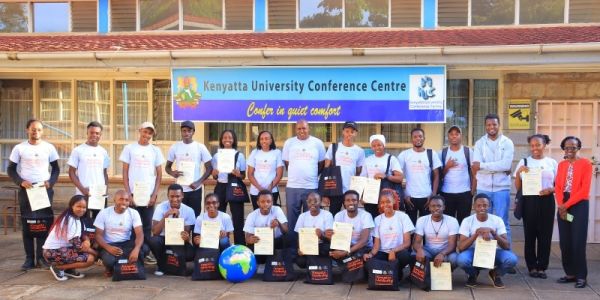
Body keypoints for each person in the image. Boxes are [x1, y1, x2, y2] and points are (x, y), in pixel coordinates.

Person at [7, 119, 60, 270]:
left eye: (39, 129)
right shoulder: (19, 148)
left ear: (42, 131)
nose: (36, 132)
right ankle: (29, 259)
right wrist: (20, 181)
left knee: (43, 224)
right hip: (27, 191)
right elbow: (11, 169)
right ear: (27, 130)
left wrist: (51, 181)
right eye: (33, 129)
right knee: (28, 224)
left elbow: (56, 169)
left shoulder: (49, 147)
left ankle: (42, 258)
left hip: (43, 190)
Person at [119, 121, 165, 264]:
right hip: (132, 196)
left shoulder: (155, 150)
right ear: (140, 130)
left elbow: (159, 175)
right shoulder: (129, 148)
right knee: (131, 224)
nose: (147, 135)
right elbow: (125, 172)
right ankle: (131, 252)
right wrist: (128, 194)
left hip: (148, 196)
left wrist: (154, 195)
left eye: (150, 133)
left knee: (146, 226)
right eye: (145, 131)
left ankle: (144, 253)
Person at [513, 134, 557, 279]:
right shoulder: (524, 162)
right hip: (529, 200)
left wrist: (551, 190)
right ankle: (532, 266)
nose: (535, 148)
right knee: (530, 234)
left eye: (538, 144)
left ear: (544, 145)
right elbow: (518, 187)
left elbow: (558, 185)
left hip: (547, 200)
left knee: (545, 235)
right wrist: (519, 172)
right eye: (532, 145)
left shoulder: (552, 163)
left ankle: (542, 267)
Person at [554, 136, 593, 288]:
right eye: (567, 147)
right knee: (565, 241)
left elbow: (584, 191)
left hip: (579, 205)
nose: (570, 150)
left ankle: (581, 276)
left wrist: (565, 205)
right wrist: (561, 205)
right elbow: (557, 187)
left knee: (578, 241)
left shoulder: (586, 164)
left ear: (578, 148)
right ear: (564, 148)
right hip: (563, 203)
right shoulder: (562, 164)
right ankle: (570, 273)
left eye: (573, 147)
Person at [456, 194, 517, 289]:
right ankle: (473, 274)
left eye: (485, 205)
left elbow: (506, 246)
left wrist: (493, 233)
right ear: (474, 207)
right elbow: (461, 247)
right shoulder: (467, 221)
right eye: (479, 205)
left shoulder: (497, 220)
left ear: (489, 206)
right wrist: (476, 234)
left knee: (512, 259)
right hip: (474, 251)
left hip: (493, 251)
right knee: (461, 259)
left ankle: (495, 274)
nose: (482, 208)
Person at [472, 114, 515, 243]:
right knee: (482, 221)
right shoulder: (479, 143)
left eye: (494, 124)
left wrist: (483, 166)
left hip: (501, 188)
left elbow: (506, 164)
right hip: (483, 188)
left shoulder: (507, 142)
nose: (492, 127)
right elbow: (475, 165)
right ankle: (484, 257)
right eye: (489, 125)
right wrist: (499, 167)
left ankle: (506, 252)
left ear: (499, 125)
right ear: (485, 126)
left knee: (503, 221)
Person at [282, 120, 326, 238]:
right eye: (299, 129)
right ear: (296, 129)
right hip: (293, 187)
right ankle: (293, 250)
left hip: (311, 187)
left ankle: (308, 249)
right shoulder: (289, 143)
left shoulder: (317, 143)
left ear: (308, 128)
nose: (302, 131)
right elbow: (287, 163)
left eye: (304, 128)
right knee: (292, 221)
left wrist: (310, 175)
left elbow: (321, 163)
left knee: (311, 220)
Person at [42, 195, 97, 281]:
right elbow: (78, 246)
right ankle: (59, 268)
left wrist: (87, 240)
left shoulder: (76, 218)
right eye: (78, 206)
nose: (82, 209)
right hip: (52, 252)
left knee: (88, 252)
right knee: (90, 259)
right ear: (72, 206)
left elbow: (83, 233)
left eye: (84, 207)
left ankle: (69, 269)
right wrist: (96, 254)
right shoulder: (70, 220)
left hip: (61, 250)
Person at [165, 120, 213, 217]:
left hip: (195, 190)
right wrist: (172, 173)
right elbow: (167, 167)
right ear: (181, 132)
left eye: (189, 131)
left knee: (195, 217)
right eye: (184, 130)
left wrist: (198, 182)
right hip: (179, 190)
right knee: (178, 217)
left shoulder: (200, 147)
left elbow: (209, 168)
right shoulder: (175, 147)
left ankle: (194, 233)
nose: (186, 133)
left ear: (193, 132)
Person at [363, 190, 414, 279]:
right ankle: (391, 273)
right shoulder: (377, 219)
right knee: (368, 261)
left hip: (398, 252)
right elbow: (376, 245)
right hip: (383, 253)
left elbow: (407, 243)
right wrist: (370, 254)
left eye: (388, 201)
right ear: (379, 204)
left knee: (405, 255)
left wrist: (393, 251)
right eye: (382, 202)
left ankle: (397, 270)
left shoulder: (403, 217)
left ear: (394, 201)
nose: (385, 205)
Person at [147, 184, 196, 276]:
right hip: (163, 240)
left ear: (182, 196)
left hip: (178, 241)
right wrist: (166, 216)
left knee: (191, 253)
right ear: (168, 196)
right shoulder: (160, 207)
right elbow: (155, 231)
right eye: (172, 196)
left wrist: (177, 219)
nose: (174, 199)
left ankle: (176, 265)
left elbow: (185, 236)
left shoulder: (189, 211)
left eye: (177, 196)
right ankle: (161, 265)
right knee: (153, 241)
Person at [94, 190, 145, 277]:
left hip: (126, 243)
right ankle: (110, 267)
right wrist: (108, 247)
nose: (124, 202)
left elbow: (140, 233)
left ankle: (120, 267)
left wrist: (136, 249)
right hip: (109, 243)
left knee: (143, 250)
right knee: (109, 260)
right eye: (121, 199)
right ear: (114, 200)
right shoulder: (104, 213)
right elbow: (98, 235)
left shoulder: (133, 213)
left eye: (126, 200)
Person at [398, 128, 441, 225]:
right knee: (411, 228)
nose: (418, 139)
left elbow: (436, 175)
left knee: (426, 227)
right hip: (410, 198)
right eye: (415, 137)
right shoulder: (404, 155)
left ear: (424, 138)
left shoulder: (431, 154)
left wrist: (433, 195)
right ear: (411, 139)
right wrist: (404, 195)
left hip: (427, 197)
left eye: (420, 136)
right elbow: (397, 176)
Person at [67, 121, 110, 220]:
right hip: (83, 193)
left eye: (97, 133)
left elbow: (104, 173)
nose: (94, 135)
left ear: (100, 135)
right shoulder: (78, 150)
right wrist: (82, 189)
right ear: (87, 133)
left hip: (99, 194)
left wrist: (106, 189)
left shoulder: (103, 152)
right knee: (82, 222)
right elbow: (71, 172)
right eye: (92, 132)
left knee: (98, 222)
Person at [323, 121, 365, 217]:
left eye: (352, 132)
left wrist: (359, 191)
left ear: (356, 133)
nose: (349, 134)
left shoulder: (359, 151)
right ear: (343, 132)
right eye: (347, 131)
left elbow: (359, 172)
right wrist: (325, 193)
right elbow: (326, 170)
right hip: (335, 189)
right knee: (333, 216)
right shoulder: (333, 147)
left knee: (352, 216)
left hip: (351, 190)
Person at [211, 129, 246, 245]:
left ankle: (239, 247)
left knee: (238, 219)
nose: (227, 140)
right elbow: (215, 176)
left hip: (234, 187)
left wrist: (238, 174)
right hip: (220, 187)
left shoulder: (239, 155)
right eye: (225, 137)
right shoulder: (216, 156)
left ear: (234, 139)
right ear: (221, 140)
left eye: (230, 137)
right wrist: (214, 174)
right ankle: (220, 245)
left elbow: (243, 175)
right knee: (218, 217)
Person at [360, 134, 403, 219]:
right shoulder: (367, 160)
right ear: (371, 147)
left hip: (386, 197)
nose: (377, 148)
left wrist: (386, 176)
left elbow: (400, 178)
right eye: (373, 145)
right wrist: (361, 196)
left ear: (384, 145)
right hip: (370, 196)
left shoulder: (391, 159)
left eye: (379, 145)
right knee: (372, 220)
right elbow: (363, 179)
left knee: (386, 219)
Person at [412, 195, 459, 270]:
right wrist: (419, 250)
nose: (436, 208)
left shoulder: (452, 221)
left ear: (444, 207)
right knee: (415, 254)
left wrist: (442, 254)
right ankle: (422, 275)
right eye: (433, 206)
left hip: (445, 250)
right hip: (428, 250)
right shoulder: (422, 220)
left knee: (454, 259)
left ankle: (446, 274)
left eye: (439, 206)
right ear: (429, 208)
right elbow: (416, 242)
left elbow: (452, 245)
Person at [439, 125, 474, 224]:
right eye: (451, 134)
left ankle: (462, 240)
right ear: (448, 136)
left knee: (464, 224)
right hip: (446, 193)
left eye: (456, 134)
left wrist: (472, 191)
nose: (454, 136)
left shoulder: (468, 152)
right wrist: (447, 167)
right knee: (448, 223)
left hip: (465, 193)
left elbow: (474, 173)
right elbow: (438, 176)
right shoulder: (442, 153)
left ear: (461, 136)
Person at [326, 190, 374, 261]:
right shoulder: (339, 215)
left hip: (363, 247)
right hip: (345, 245)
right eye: (348, 200)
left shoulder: (366, 216)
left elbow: (364, 241)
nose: (351, 202)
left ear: (358, 202)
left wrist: (346, 252)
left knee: (354, 259)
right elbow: (337, 238)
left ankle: (344, 263)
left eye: (354, 200)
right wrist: (329, 236)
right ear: (344, 203)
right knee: (327, 252)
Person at [244, 190, 289, 264]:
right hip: (260, 244)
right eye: (262, 202)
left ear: (272, 202)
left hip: (275, 244)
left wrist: (278, 223)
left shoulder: (277, 210)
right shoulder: (252, 215)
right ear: (258, 203)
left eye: (268, 201)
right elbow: (247, 238)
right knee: (249, 252)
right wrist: (251, 239)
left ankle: (275, 260)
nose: (266, 204)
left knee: (286, 239)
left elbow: (286, 231)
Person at [294, 192, 333, 268]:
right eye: (309, 201)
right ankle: (313, 263)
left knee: (326, 249)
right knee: (300, 262)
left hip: (321, 245)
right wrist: (300, 248)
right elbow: (299, 236)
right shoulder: (302, 216)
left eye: (315, 201)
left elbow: (330, 238)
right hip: (307, 245)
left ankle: (316, 263)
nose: (312, 203)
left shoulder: (327, 215)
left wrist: (322, 235)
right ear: (306, 202)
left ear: (321, 202)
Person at [247, 130, 284, 209]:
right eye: (262, 139)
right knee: (258, 215)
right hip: (256, 191)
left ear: (271, 140)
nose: (264, 141)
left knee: (271, 215)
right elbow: (250, 174)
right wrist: (260, 189)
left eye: (266, 138)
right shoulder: (255, 152)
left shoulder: (277, 153)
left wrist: (269, 188)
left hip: (272, 191)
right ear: (259, 141)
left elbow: (279, 174)